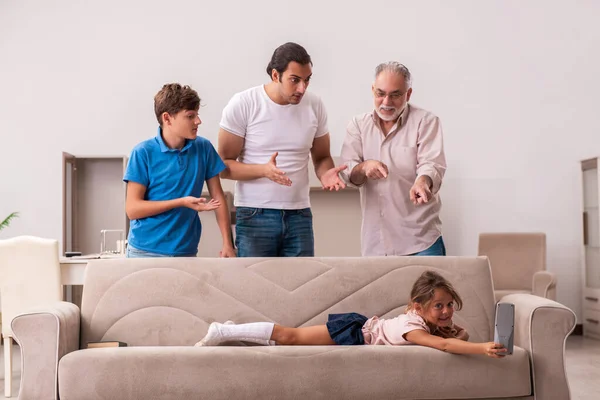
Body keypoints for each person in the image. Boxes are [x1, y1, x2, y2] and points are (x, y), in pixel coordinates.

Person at [217, 42, 346, 257]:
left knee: (302, 285)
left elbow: (322, 157)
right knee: (254, 287)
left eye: (307, 80)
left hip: (300, 214)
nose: (302, 89)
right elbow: (223, 167)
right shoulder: (244, 103)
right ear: (275, 75)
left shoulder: (314, 105)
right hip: (254, 213)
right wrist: (264, 171)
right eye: (295, 80)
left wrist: (326, 174)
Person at [195, 270, 507, 358]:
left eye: (449, 304)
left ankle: (235, 334)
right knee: (289, 336)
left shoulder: (430, 323)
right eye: (438, 306)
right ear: (417, 306)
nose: (446, 311)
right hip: (355, 332)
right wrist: (480, 348)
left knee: (287, 346)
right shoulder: (414, 328)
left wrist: (464, 335)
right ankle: (223, 331)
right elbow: (445, 346)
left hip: (361, 332)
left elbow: (454, 338)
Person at [340, 62, 447, 257]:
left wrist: (423, 182)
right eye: (380, 93)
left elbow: (432, 165)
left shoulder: (426, 122)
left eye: (395, 95)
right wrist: (364, 168)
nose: (386, 102)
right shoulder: (358, 125)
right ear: (373, 90)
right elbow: (349, 173)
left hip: (421, 241)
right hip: (376, 243)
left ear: (408, 94)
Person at [123, 83, 235, 258]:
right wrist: (180, 202)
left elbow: (218, 197)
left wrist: (228, 244)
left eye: (197, 115)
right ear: (167, 119)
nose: (198, 121)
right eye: (190, 116)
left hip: (185, 250)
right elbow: (133, 209)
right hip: (145, 252)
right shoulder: (143, 152)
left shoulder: (204, 148)